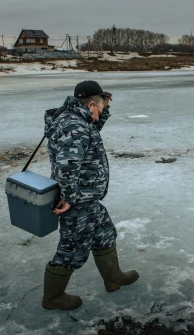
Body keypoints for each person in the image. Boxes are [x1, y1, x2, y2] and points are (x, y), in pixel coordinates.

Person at [41, 80, 139, 311]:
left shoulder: (78, 119)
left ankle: (113, 278)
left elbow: (93, 127)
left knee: (105, 233)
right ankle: (53, 298)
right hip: (77, 201)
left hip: (88, 199)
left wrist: (105, 106)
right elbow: (67, 165)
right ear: (92, 104)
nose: (102, 112)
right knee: (71, 248)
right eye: (101, 107)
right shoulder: (74, 126)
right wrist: (68, 198)